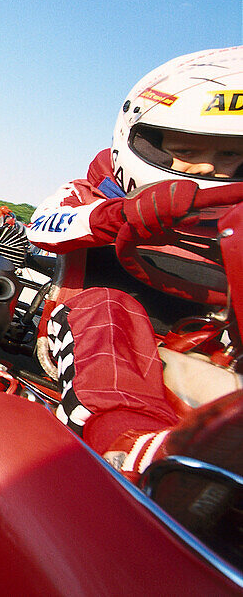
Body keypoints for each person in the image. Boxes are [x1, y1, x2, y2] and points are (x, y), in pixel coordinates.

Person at [27, 45, 243, 480]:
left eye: (229, 157)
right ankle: (126, 446)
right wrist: (116, 217)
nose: (209, 170)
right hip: (96, 333)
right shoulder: (98, 192)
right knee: (110, 306)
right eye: (187, 148)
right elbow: (43, 226)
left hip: (204, 364)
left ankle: (204, 461)